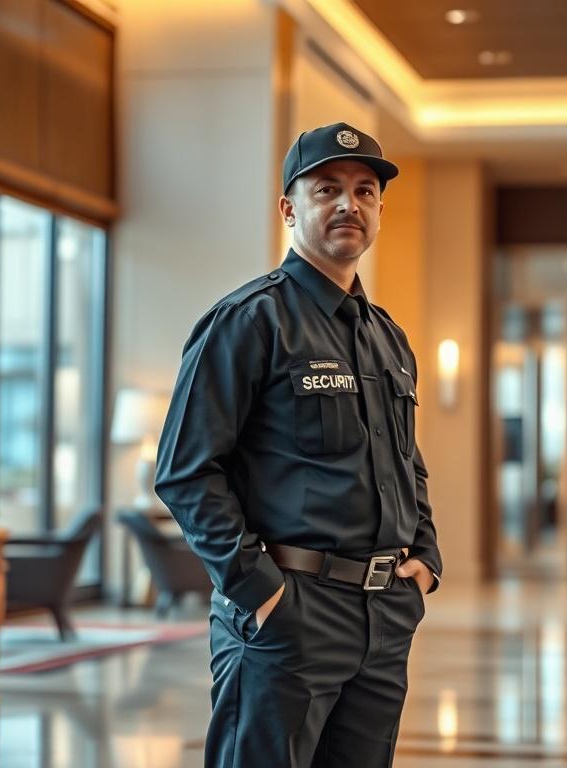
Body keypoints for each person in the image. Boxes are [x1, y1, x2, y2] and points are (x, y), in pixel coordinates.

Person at [154, 122, 442, 767]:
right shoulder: (249, 320)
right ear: (289, 208)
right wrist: (258, 589)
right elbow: (184, 471)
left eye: (366, 191)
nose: (350, 204)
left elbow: (405, 464)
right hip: (290, 611)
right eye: (327, 189)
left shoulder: (387, 339)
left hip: (382, 615)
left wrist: (424, 558)